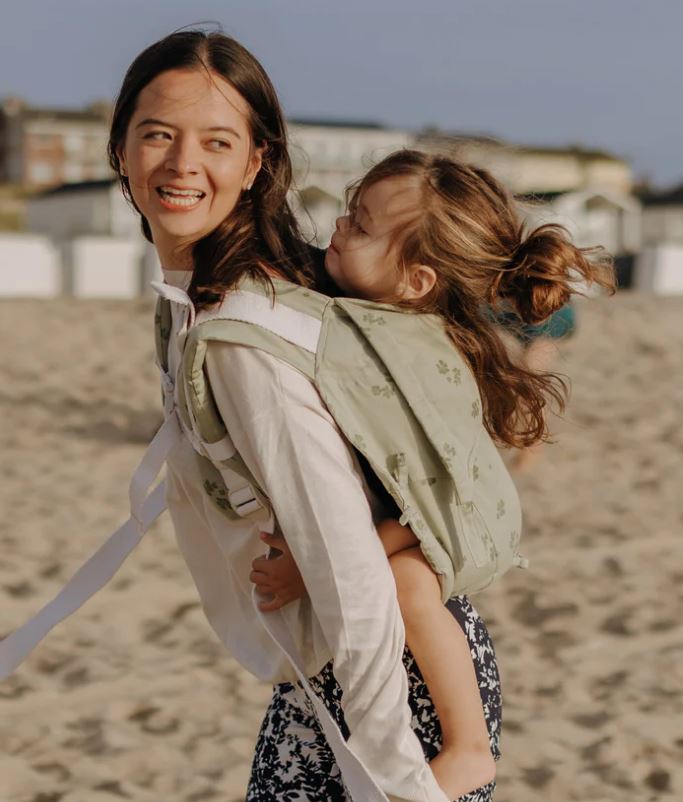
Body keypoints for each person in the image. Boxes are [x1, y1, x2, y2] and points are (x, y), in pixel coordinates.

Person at [108, 29, 501, 802]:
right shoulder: (215, 300)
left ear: (255, 163)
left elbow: (352, 569)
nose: (183, 163)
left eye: (217, 141)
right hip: (351, 671)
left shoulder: (248, 332)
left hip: (386, 681)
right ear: (119, 144)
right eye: (158, 133)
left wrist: (393, 773)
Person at [249, 150, 614, 799]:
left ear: (416, 280)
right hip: (332, 660)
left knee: (408, 579)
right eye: (349, 209)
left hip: (416, 575)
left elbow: (418, 513)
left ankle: (467, 745)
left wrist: (307, 565)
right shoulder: (362, 311)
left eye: (360, 225)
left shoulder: (416, 356)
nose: (337, 225)